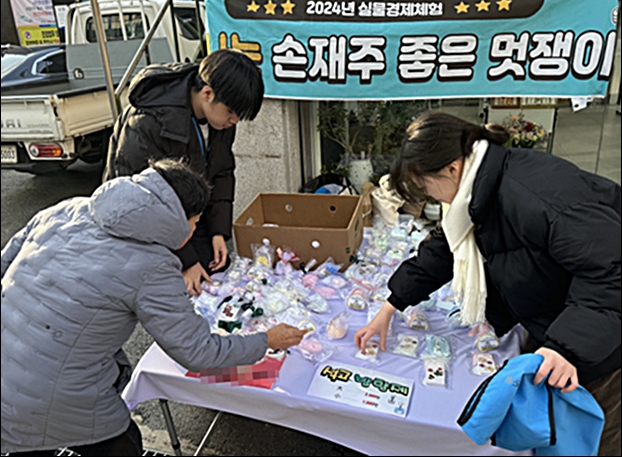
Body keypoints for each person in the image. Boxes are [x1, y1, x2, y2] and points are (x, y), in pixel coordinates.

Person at [355, 112, 620, 455]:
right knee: (552, 431)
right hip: (553, 322)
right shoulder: (478, 192)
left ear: (452, 168)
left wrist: (566, 347)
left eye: (425, 185)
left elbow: (610, 271)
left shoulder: (536, 195)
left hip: (601, 343)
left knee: (591, 437)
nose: (430, 197)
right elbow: (442, 252)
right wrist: (390, 306)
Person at [1, 158, 306, 456]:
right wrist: (266, 340)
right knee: (122, 444)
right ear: (177, 217)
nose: (193, 230)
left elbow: (6, 266)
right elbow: (197, 352)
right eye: (195, 222)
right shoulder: (153, 265)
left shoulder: (64, 209)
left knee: (28, 442)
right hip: (53, 394)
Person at [103, 48, 264, 297]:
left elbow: (222, 172)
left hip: (190, 217)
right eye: (232, 114)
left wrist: (219, 232)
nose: (234, 122)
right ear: (207, 93)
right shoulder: (148, 120)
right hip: (145, 228)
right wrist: (187, 261)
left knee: (216, 276)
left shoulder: (219, 121)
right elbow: (143, 204)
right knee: (175, 294)